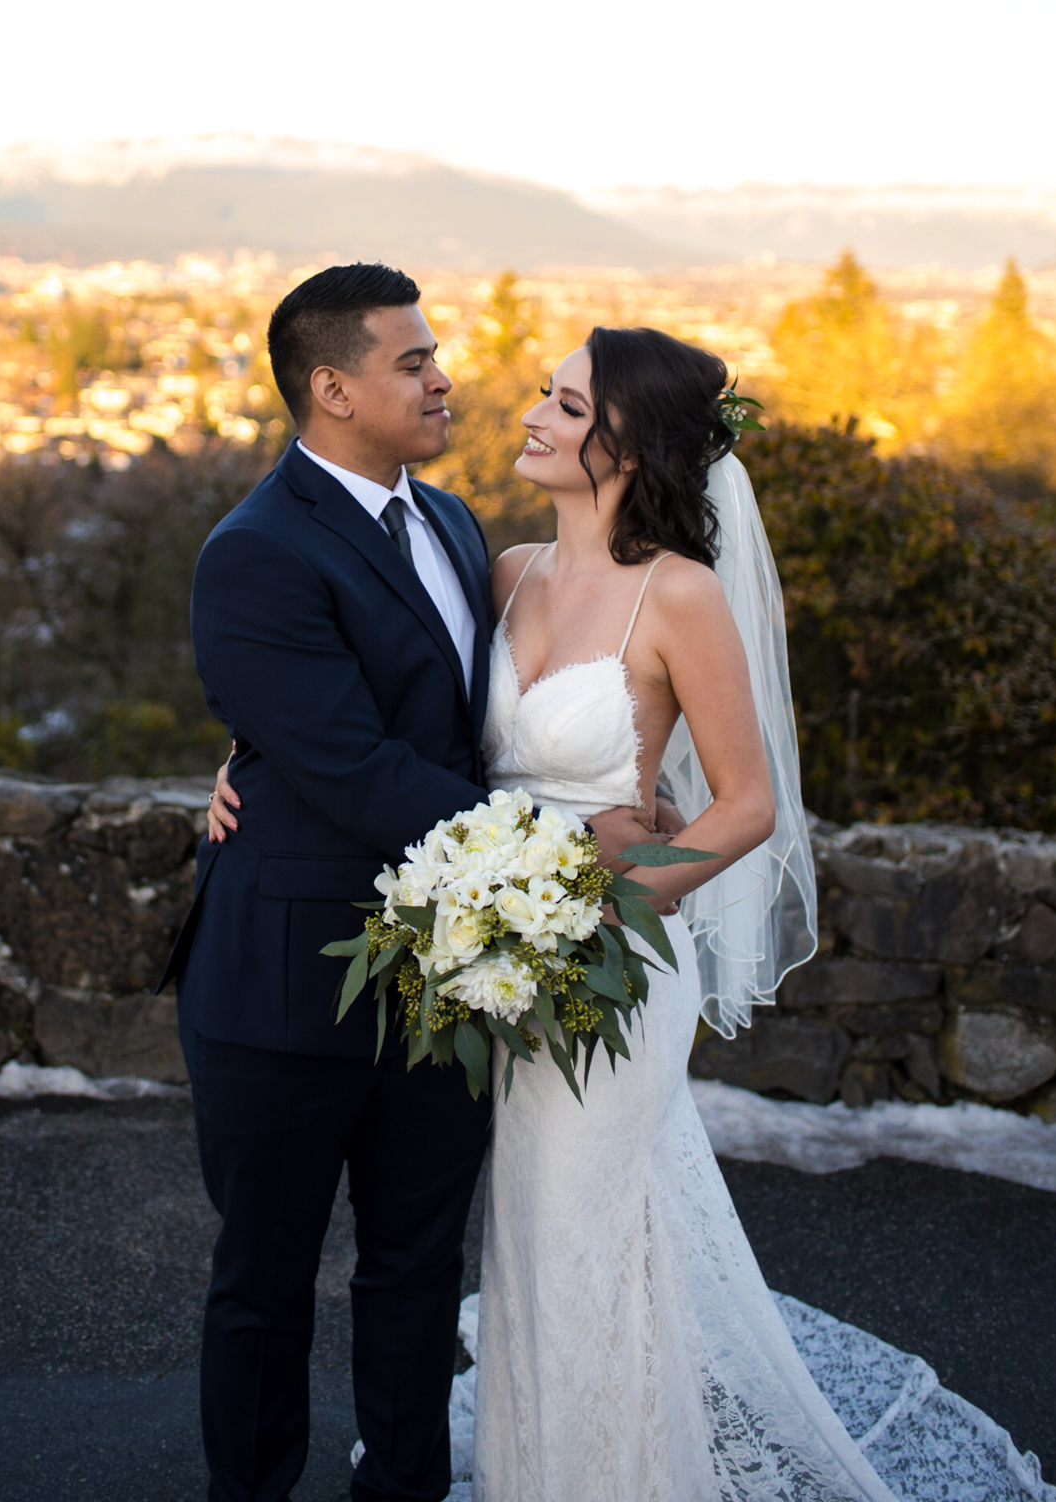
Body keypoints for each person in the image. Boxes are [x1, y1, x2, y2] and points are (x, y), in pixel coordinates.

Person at [205, 318, 895, 1500]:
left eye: (566, 406)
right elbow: (366, 704)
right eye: (544, 393)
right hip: (490, 961)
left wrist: (595, 905)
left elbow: (743, 808)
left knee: (580, 1231)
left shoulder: (677, 595)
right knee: (516, 1240)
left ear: (629, 443)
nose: (525, 410)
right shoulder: (499, 562)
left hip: (605, 959)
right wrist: (236, 764)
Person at [170, 266, 674, 1502]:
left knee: (413, 1267)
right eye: (411, 359)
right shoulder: (252, 551)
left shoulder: (453, 524)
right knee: (264, 1279)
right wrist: (568, 851)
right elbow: (350, 764)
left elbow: (463, 728)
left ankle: (403, 1485)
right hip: (287, 984)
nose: (443, 374)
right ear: (331, 386)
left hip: (449, 975)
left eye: (433, 351)